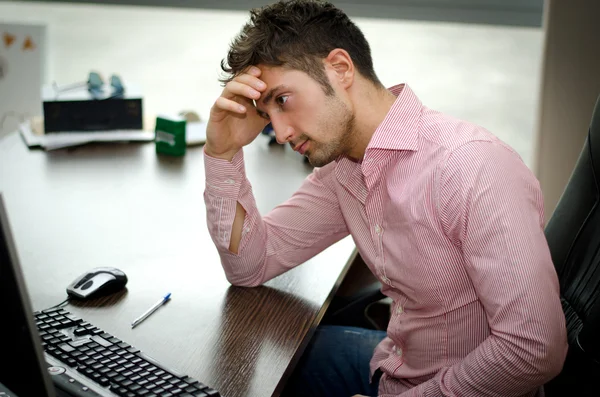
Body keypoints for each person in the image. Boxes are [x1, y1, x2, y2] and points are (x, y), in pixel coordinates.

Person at [202, 1, 568, 396]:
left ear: (340, 68)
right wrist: (222, 154)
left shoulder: (471, 167)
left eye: (282, 100)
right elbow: (250, 266)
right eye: (265, 113)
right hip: (394, 364)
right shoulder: (343, 168)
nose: (279, 131)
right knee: (235, 369)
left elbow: (533, 349)